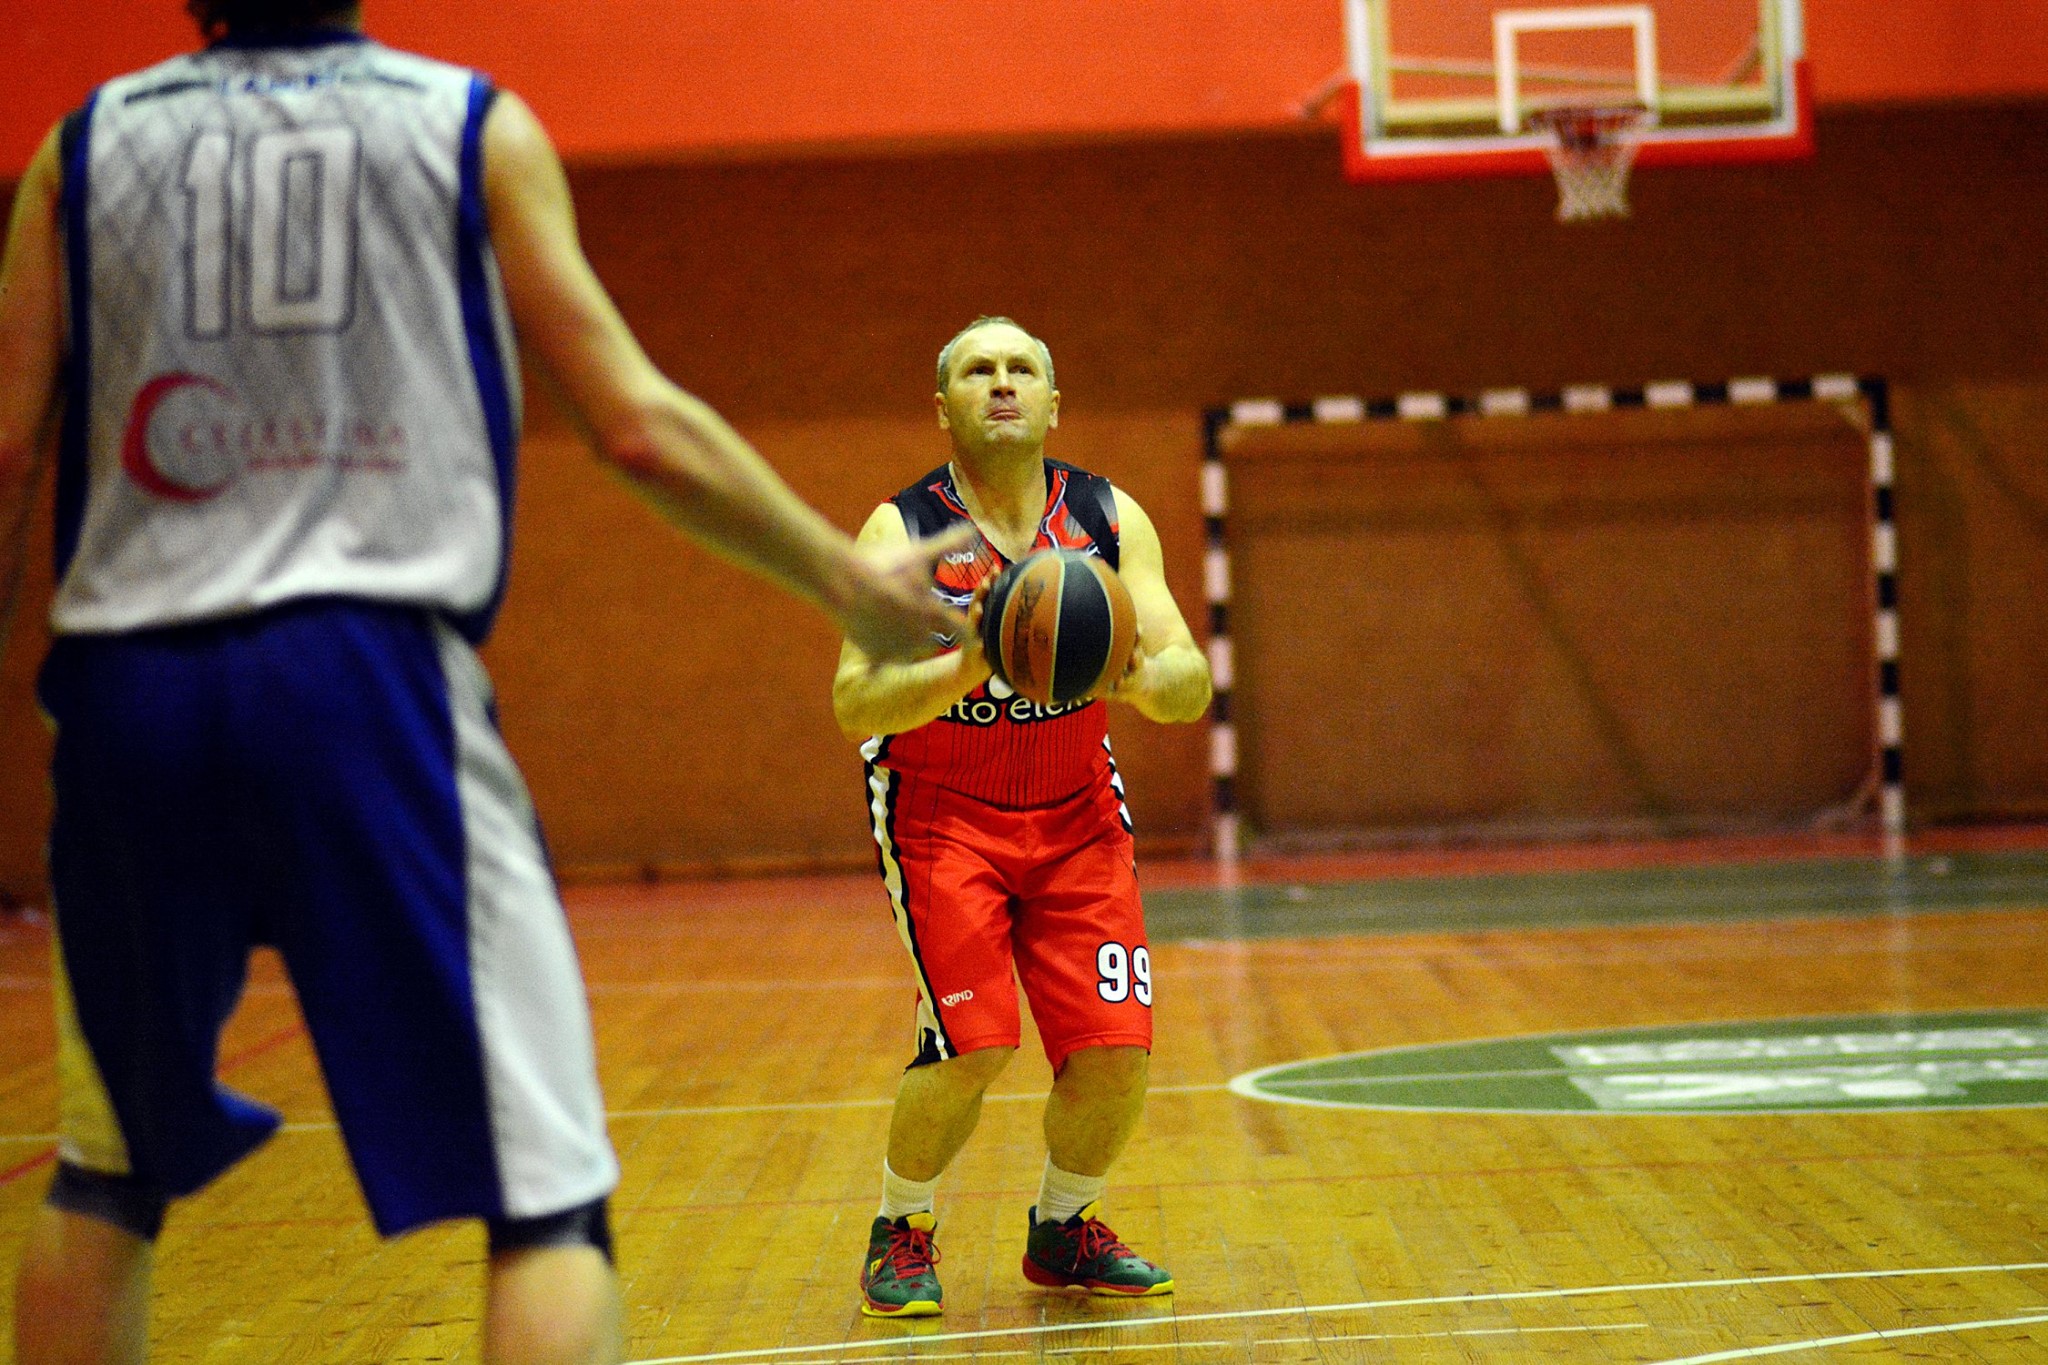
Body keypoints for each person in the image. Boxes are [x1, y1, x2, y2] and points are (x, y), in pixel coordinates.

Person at [0, 3, 971, 1363]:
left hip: (130, 694)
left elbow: (7, 453)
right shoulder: (464, 125)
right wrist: (845, 579)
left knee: (103, 1179)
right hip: (366, 679)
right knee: (545, 1208)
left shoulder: (80, 148)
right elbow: (636, 425)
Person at [832, 317, 1212, 1317]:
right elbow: (854, 703)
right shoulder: (901, 532)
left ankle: (1063, 1227)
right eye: (977, 370)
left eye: (1020, 369)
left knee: (1116, 1051)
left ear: (1051, 403)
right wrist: (975, 654)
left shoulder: (1107, 516)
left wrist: (1134, 675)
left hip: (1076, 809)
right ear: (944, 406)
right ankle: (901, 1226)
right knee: (976, 1044)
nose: (1000, 383)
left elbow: (1187, 678)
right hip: (941, 813)